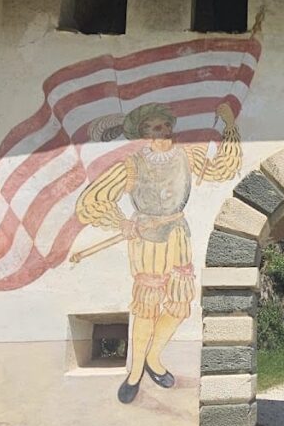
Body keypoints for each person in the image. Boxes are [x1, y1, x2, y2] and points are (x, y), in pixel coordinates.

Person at [76, 102, 241, 403]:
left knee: (180, 303)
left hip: (178, 232)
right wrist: (122, 222)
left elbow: (223, 168)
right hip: (147, 237)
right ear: (144, 134)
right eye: (155, 127)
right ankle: (135, 371)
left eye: (165, 125)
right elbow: (91, 201)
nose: (163, 131)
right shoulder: (132, 164)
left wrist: (229, 127)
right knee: (147, 305)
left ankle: (154, 357)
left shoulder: (188, 155)